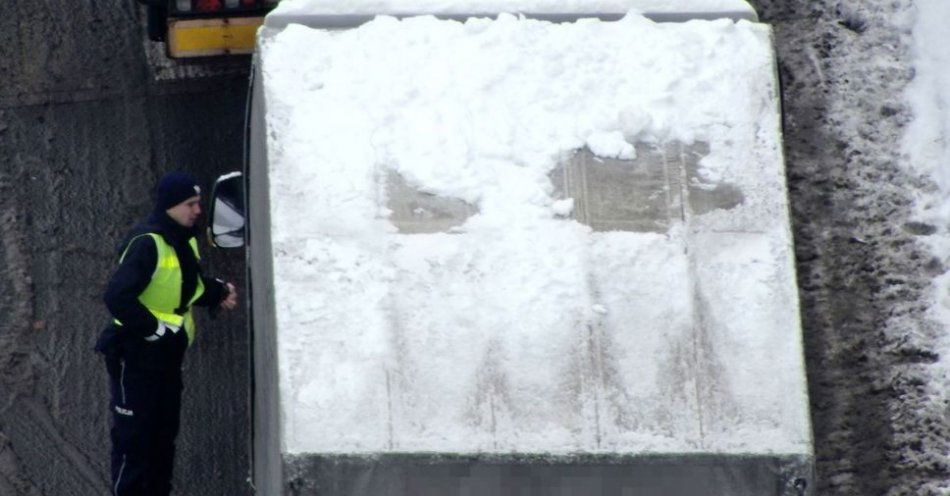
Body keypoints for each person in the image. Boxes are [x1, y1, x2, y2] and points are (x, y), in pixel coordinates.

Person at [95, 172, 238, 496]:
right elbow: (117, 297)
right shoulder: (148, 243)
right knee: (135, 442)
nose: (198, 210)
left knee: (162, 438)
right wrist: (154, 330)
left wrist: (216, 292)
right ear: (170, 206)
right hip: (135, 357)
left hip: (166, 360)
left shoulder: (183, 238)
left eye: (199, 203)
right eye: (190, 204)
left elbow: (182, 286)